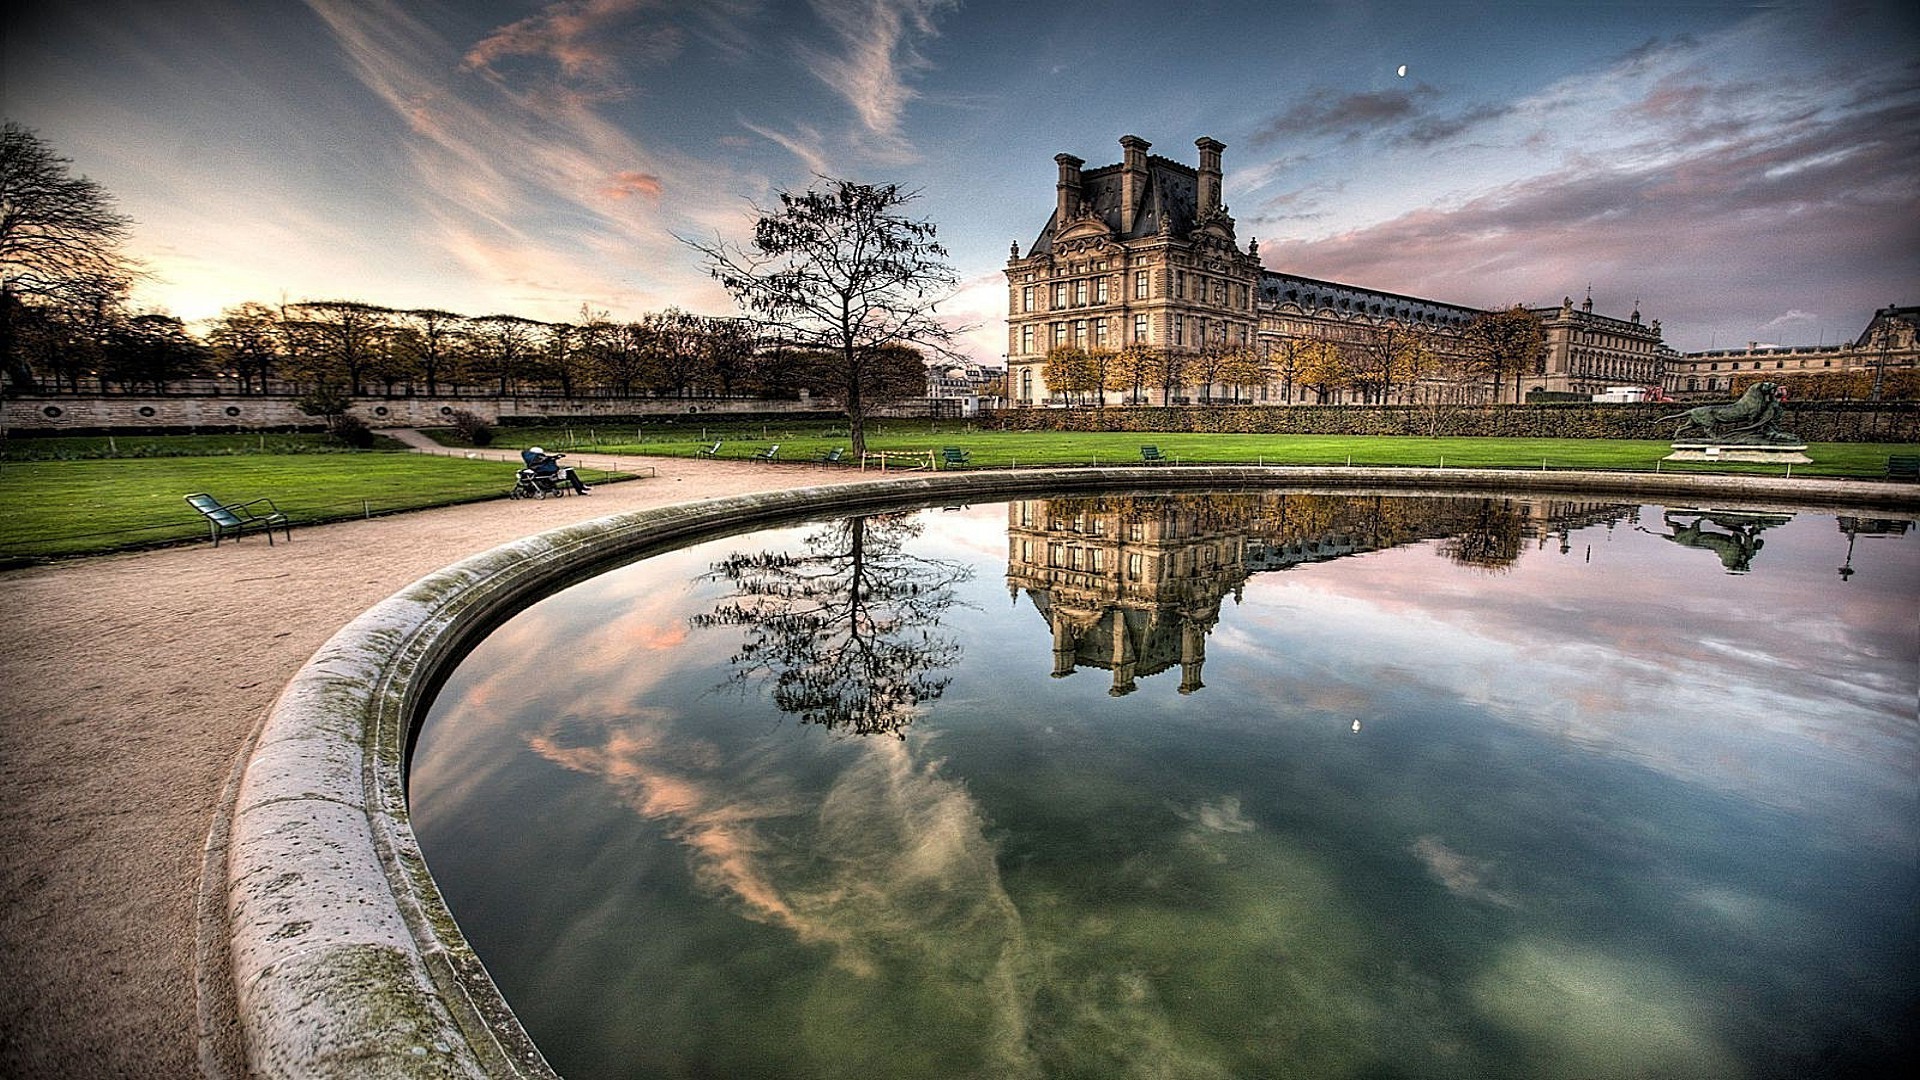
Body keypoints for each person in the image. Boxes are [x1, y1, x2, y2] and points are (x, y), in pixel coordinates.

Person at [520, 445, 590, 495]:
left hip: (550, 474)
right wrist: (554, 457)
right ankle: (580, 488)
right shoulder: (537, 460)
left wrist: (556, 457)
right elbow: (546, 459)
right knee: (569, 472)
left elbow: (547, 458)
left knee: (570, 471)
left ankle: (580, 487)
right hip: (547, 475)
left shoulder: (539, 459)